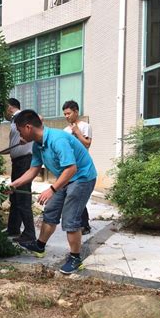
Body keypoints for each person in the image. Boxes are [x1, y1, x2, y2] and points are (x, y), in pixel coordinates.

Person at [9, 110, 97, 274]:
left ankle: (75, 258)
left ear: (28, 127)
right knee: (50, 212)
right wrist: (14, 185)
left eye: (20, 130)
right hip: (65, 178)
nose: (19, 135)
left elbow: (71, 168)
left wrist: (52, 188)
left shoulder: (57, 139)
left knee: (70, 219)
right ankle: (40, 246)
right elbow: (33, 170)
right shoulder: (38, 144)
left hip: (82, 177)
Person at [1, 98, 36, 242]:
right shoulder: (15, 122)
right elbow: (14, 147)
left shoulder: (22, 117)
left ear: (9, 107)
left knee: (22, 197)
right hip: (17, 162)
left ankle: (29, 234)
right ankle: (13, 228)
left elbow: (38, 119)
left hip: (24, 162)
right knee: (14, 197)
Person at [62, 100, 93, 235]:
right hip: (69, 166)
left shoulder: (85, 126)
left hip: (82, 166)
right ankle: (80, 223)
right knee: (74, 195)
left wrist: (77, 133)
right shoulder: (65, 130)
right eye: (64, 114)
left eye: (68, 113)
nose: (66, 116)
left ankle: (84, 225)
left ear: (76, 112)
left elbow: (87, 144)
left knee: (78, 194)